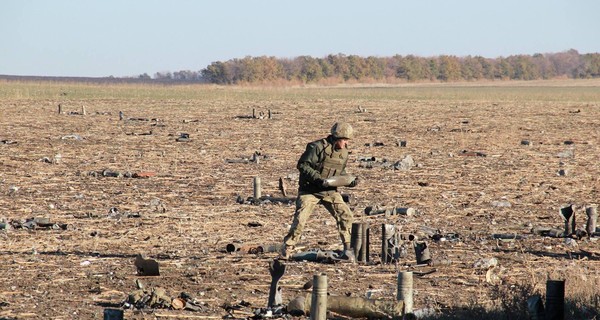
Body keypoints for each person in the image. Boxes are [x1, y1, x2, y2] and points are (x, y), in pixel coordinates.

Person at [281, 122, 358, 262]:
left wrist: (349, 180)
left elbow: (340, 172)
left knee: (346, 216)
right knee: (300, 220)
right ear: (337, 137)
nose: (346, 144)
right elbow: (303, 165)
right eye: (345, 140)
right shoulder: (317, 147)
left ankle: (347, 249)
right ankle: (287, 248)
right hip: (310, 190)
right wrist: (318, 179)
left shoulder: (344, 153)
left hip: (329, 191)